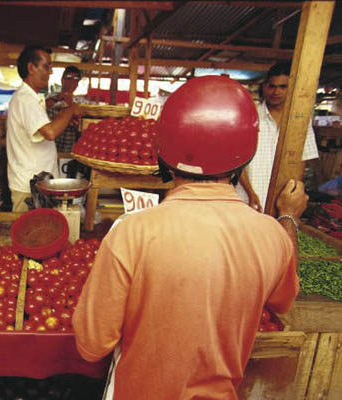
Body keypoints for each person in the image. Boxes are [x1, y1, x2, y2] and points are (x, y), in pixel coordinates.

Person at [72, 76, 307, 399]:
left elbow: (92, 344)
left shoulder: (132, 231)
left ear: (163, 152)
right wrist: (289, 218)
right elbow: (283, 302)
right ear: (244, 157)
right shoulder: (272, 235)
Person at [6, 45, 81, 212]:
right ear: (31, 68)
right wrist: (71, 110)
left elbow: (44, 129)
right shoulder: (25, 99)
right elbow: (50, 132)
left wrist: (64, 118)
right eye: (47, 66)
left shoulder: (31, 99)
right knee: (29, 234)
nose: (51, 72)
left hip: (37, 183)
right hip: (29, 187)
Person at [237, 62, 319, 212]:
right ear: (264, 87)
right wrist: (251, 194)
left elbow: (301, 161)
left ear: (291, 88)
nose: (276, 92)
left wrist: (293, 193)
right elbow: (238, 160)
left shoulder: (300, 123)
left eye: (282, 87)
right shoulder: (249, 117)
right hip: (248, 197)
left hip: (282, 199)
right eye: (272, 86)